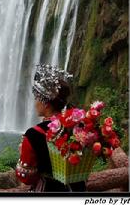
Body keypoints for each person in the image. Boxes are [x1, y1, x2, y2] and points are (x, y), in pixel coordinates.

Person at [15, 64, 86, 192]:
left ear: (46, 103)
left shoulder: (33, 134)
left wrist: (22, 154)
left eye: (37, 98)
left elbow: (26, 177)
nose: (35, 103)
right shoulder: (79, 124)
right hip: (78, 189)